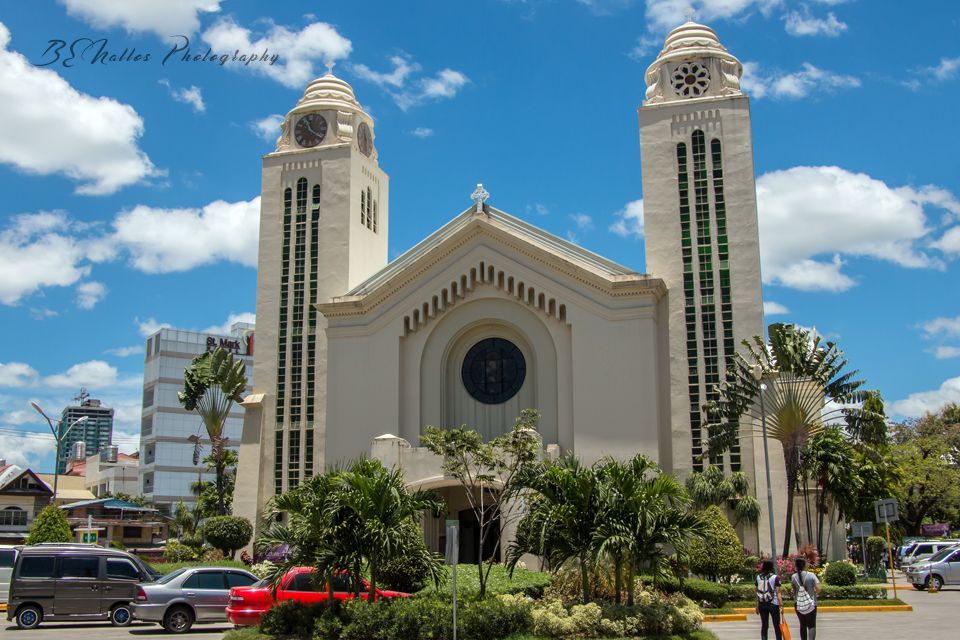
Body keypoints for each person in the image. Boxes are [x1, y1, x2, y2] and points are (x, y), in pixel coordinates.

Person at [792, 557, 822, 640]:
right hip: (810, 604)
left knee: (802, 624)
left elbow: (794, 591)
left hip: (798, 604)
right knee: (811, 625)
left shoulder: (793, 577)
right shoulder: (811, 575)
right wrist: (814, 591)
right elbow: (818, 589)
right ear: (804, 565)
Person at [756, 559, 784, 640]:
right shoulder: (775, 578)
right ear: (771, 567)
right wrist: (781, 605)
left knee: (764, 625)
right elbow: (778, 593)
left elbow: (756, 592)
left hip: (762, 604)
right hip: (773, 604)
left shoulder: (758, 577)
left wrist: (757, 606)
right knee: (776, 625)